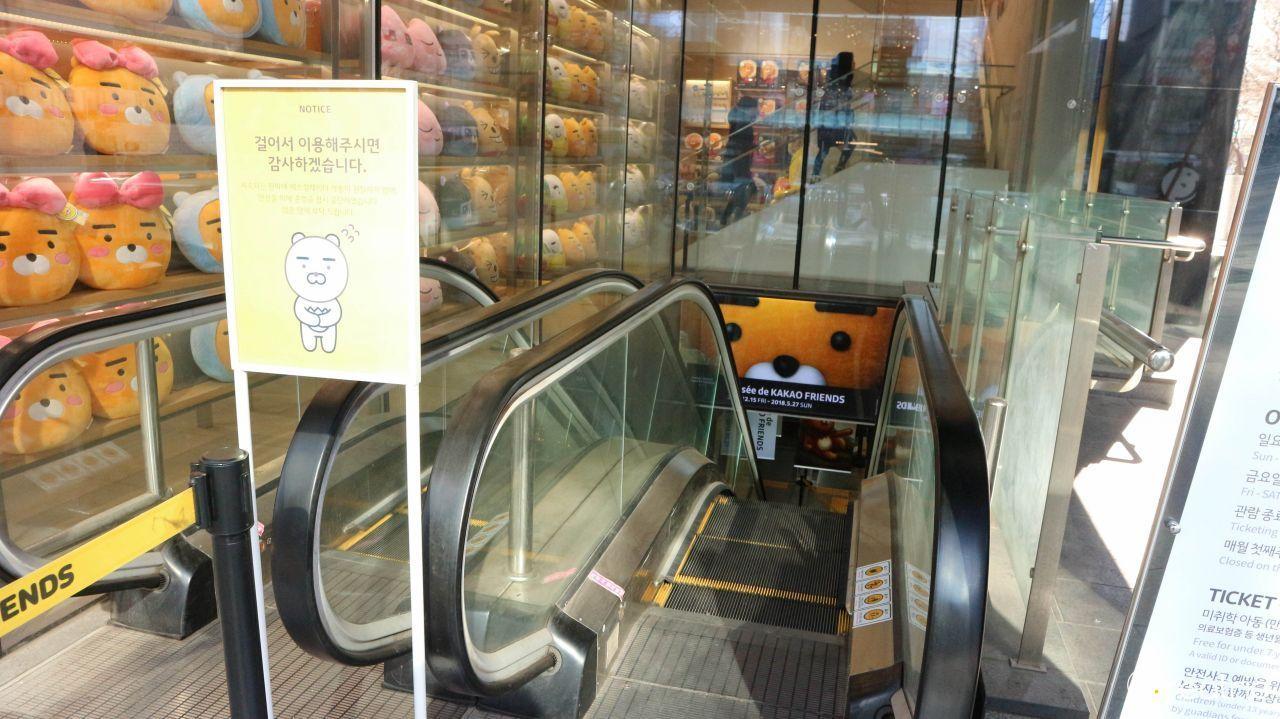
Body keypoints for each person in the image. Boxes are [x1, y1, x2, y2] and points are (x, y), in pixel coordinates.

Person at [812, 51, 855, 178]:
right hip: (834, 125)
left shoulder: (834, 83)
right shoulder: (841, 86)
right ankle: (838, 169)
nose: (854, 65)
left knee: (824, 151)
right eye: (852, 62)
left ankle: (816, 175)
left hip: (829, 125)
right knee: (848, 144)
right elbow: (841, 105)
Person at [719, 95, 758, 226]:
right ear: (749, 108)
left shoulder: (738, 119)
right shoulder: (744, 122)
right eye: (755, 108)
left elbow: (737, 141)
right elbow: (741, 142)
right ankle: (734, 217)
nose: (757, 111)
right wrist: (754, 146)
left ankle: (727, 217)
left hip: (734, 160)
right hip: (739, 162)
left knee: (742, 190)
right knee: (748, 188)